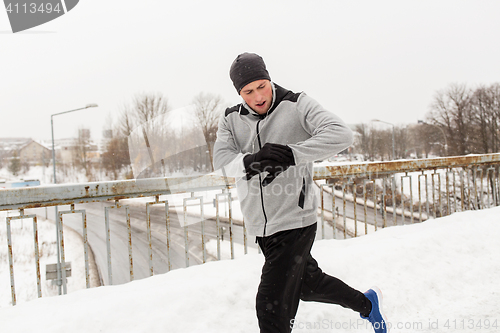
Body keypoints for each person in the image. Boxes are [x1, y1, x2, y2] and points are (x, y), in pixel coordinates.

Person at [213, 52, 389, 333]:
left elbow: (341, 134)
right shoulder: (230, 119)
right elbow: (221, 162)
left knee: (270, 307)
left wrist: (291, 155)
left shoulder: (296, 104)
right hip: (261, 226)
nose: (257, 96)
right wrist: (252, 161)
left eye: (262, 86)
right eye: (248, 91)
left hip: (296, 221)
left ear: (269, 79)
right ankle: (367, 305)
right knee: (308, 285)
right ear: (239, 92)